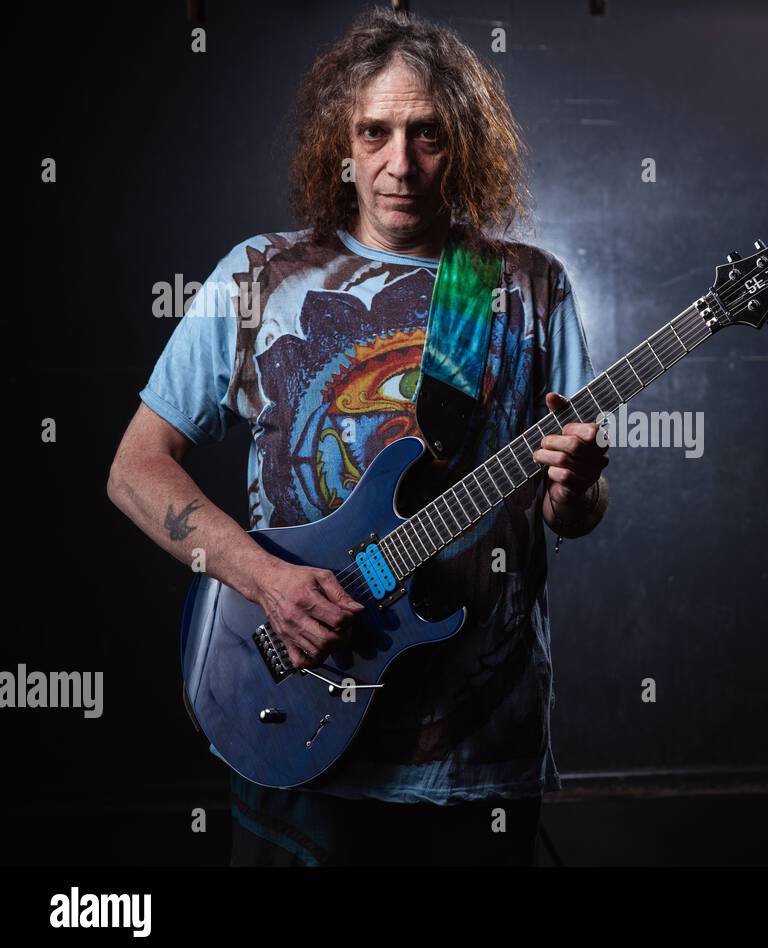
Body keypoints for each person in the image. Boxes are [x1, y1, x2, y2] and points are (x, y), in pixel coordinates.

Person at [106, 6, 609, 866]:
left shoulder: (529, 288)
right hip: (290, 729)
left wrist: (576, 487)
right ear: (341, 142)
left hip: (476, 762)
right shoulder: (259, 277)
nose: (399, 164)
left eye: (428, 135)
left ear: (467, 145)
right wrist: (266, 580)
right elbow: (134, 469)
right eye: (374, 132)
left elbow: (577, 514)